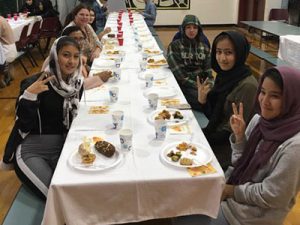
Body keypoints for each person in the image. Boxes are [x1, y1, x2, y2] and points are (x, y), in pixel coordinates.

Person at [172, 65, 300, 225]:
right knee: (180, 205)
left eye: (275, 96)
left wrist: (231, 191)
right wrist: (239, 139)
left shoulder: (295, 146)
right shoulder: (259, 121)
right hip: (233, 191)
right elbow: (239, 164)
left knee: (185, 219)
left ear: (291, 99)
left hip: (250, 215)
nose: (264, 101)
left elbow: (273, 195)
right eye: (263, 92)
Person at [1, 36, 84, 199]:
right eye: (66, 55)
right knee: (57, 198)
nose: (71, 61)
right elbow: (23, 125)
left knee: (79, 190)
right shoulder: (35, 83)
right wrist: (29, 96)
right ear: (55, 55)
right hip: (32, 152)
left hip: (62, 148)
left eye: (75, 56)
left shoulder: (75, 85)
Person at [197, 31, 258, 169]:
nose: (222, 58)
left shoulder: (247, 85)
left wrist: (201, 139)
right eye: (218, 52)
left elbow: (230, 133)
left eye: (228, 53)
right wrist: (203, 101)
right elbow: (214, 116)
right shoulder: (224, 76)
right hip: (216, 133)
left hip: (230, 147)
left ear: (240, 54)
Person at [167, 14, 212, 110]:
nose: (192, 30)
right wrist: (199, 87)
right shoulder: (174, 46)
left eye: (195, 27)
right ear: (183, 29)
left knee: (216, 97)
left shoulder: (204, 47)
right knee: (203, 101)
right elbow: (181, 77)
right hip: (185, 85)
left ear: (199, 29)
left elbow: (209, 72)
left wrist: (209, 87)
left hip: (202, 85)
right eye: (188, 27)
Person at [0, 16, 16, 88]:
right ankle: (9, 76)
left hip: (7, 50)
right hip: (12, 48)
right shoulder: (1, 18)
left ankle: (2, 80)